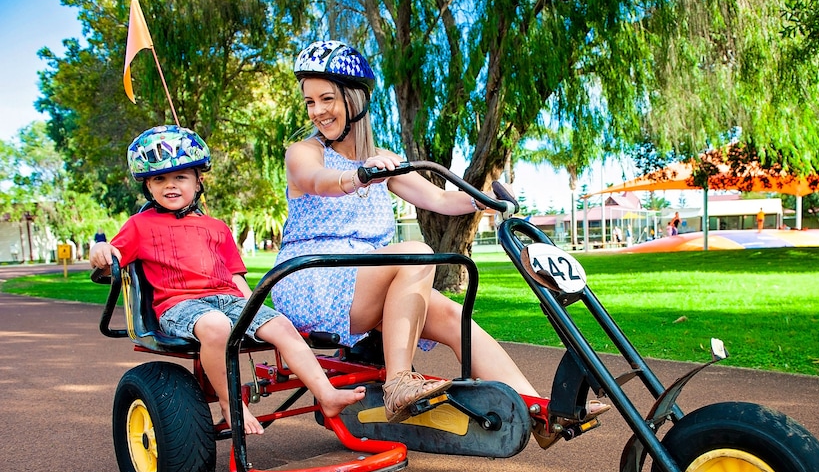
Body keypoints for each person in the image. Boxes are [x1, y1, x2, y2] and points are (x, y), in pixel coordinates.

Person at [276, 40, 609, 425]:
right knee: (415, 251)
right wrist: (358, 176)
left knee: (454, 316)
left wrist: (480, 200)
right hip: (313, 278)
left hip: (365, 279)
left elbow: (438, 198)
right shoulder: (305, 151)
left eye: (326, 99)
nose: (317, 111)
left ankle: (541, 411)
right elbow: (316, 180)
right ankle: (399, 383)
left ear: (355, 99)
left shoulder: (384, 158)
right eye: (309, 102)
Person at [89, 125, 365, 434]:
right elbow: (108, 257)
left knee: (282, 326)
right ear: (148, 187)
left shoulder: (216, 227)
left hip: (228, 299)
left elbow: (236, 278)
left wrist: (254, 310)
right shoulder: (139, 225)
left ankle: (326, 395)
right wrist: (100, 249)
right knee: (217, 325)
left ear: (198, 181)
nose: (170, 185)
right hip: (179, 305)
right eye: (159, 179)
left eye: (180, 177)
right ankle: (230, 402)